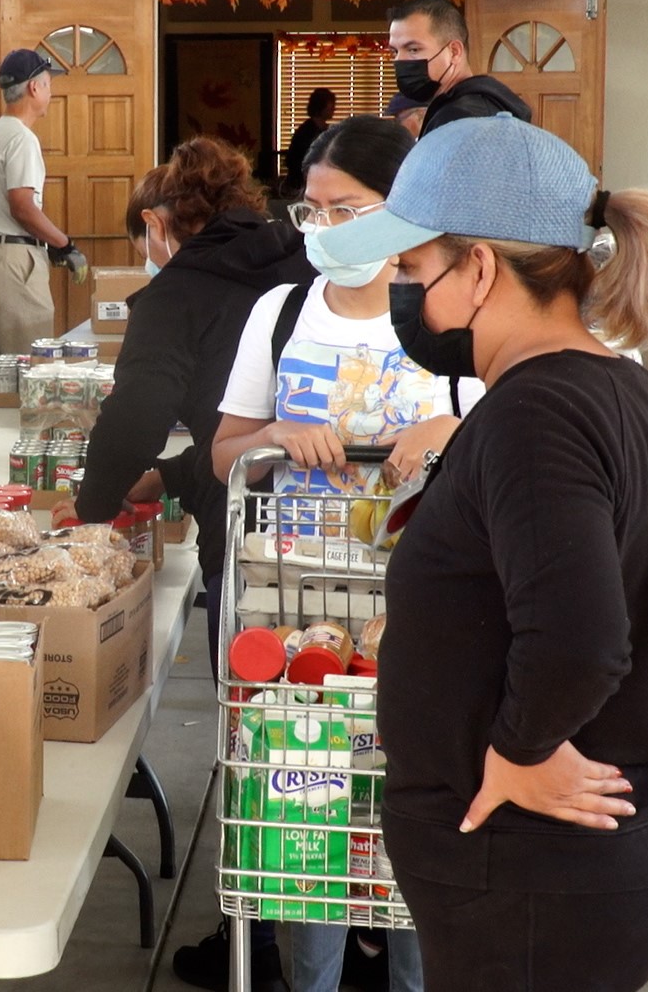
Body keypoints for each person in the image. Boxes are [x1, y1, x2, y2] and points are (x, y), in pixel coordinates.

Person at [322, 114, 648, 990]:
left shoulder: (536, 415)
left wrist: (519, 752)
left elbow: (580, 637)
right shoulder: (623, 394)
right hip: (560, 884)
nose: (407, 294)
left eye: (417, 270)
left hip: (533, 885)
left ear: (481, 268)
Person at [205, 115, 481, 992]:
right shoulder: (280, 312)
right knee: (308, 826)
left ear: (402, 211)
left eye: (346, 209)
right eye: (311, 211)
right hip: (290, 612)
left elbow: (523, 432)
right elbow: (224, 453)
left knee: (416, 834)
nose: (325, 230)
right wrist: (278, 435)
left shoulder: (452, 315)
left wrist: (452, 424)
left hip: (423, 606)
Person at [59, 137, 308, 665]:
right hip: (332, 519)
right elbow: (250, 415)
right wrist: (168, 478)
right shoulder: (300, 261)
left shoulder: (177, 292)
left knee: (253, 709)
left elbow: (137, 415)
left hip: (245, 533)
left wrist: (92, 509)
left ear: (156, 223)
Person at [0, 48, 88, 391]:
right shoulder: (22, 138)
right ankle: (21, 445)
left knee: (1, 374)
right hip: (13, 263)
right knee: (33, 372)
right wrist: (64, 244)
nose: (51, 91)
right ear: (35, 88)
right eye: (49, 83)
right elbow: (21, 206)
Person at [388, 0, 531, 137]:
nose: (399, 60)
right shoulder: (476, 106)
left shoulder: (460, 119)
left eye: (413, 49)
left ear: (454, 52)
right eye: (395, 51)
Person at [282, 87, 337, 194]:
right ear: (321, 106)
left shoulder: (326, 131)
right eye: (331, 105)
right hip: (304, 186)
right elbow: (297, 162)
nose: (334, 109)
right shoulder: (306, 132)